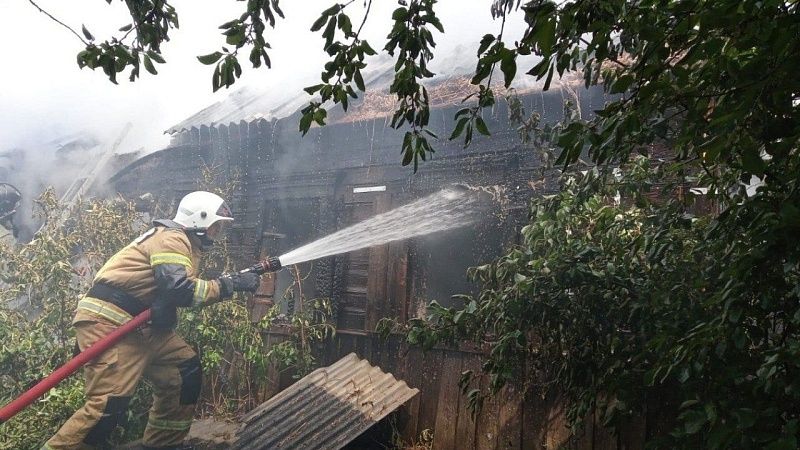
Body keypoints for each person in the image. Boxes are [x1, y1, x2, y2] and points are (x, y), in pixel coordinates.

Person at [44, 191, 261, 450]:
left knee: (183, 371)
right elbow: (180, 288)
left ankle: (163, 444)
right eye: (216, 226)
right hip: (109, 322)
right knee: (108, 403)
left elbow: (164, 289)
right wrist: (229, 285)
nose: (217, 233)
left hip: (140, 328)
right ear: (199, 221)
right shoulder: (173, 238)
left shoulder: (182, 243)